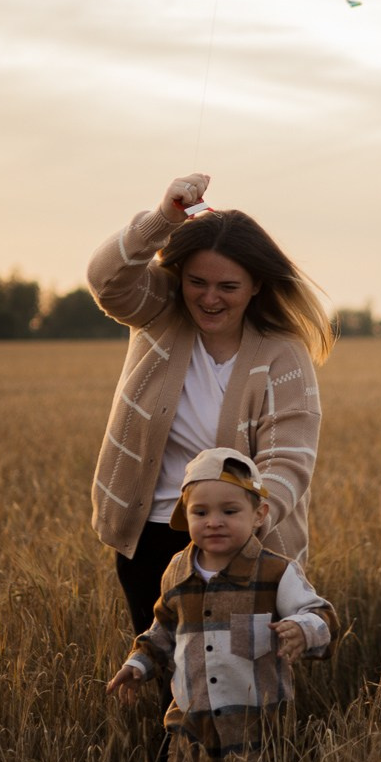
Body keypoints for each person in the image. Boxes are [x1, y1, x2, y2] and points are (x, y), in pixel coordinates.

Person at [88, 174, 333, 636]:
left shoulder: (282, 354)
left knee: (239, 678)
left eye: (228, 286)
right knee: (163, 664)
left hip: (244, 540)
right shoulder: (159, 313)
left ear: (257, 285)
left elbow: (289, 458)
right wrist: (162, 219)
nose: (209, 297)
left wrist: (244, 526)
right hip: (150, 532)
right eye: (196, 282)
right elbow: (106, 281)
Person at [106, 448, 338, 762]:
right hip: (190, 732)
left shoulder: (276, 572)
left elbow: (322, 615)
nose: (214, 521)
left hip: (258, 733)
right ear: (186, 517)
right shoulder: (176, 571)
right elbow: (164, 629)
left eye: (229, 511)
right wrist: (138, 664)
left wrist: (303, 629)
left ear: (259, 514)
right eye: (200, 512)